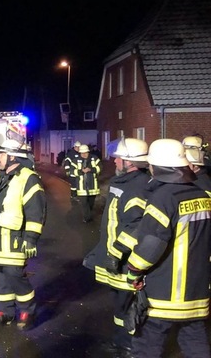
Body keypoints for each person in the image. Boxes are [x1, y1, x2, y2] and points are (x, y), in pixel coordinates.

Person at [126, 138, 211, 358]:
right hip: (197, 290)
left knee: (147, 344)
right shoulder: (202, 195)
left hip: (165, 291)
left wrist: (134, 271)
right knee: (195, 340)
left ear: (158, 167)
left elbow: (152, 244)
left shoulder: (163, 198)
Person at [83, 138, 151, 356]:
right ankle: (121, 341)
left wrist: (117, 252)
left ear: (129, 162)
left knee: (128, 305)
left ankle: (131, 345)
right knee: (120, 304)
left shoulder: (138, 186)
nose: (114, 161)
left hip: (125, 259)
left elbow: (137, 226)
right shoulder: (122, 182)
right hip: (114, 256)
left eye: (118, 158)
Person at [0, 139, 46, 330]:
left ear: (12, 157)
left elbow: (36, 210)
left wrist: (31, 238)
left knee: (14, 274)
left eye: (1, 154)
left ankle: (27, 310)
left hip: (13, 238)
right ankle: (6, 312)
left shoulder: (28, 178)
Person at [73, 144, 101, 223]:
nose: (84, 154)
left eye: (85, 153)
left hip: (93, 186)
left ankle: (89, 214)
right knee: (84, 203)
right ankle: (87, 218)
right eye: (82, 153)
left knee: (91, 203)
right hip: (81, 187)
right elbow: (72, 171)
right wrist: (81, 171)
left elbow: (100, 168)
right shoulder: (76, 160)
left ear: (88, 152)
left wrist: (91, 169)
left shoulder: (94, 158)